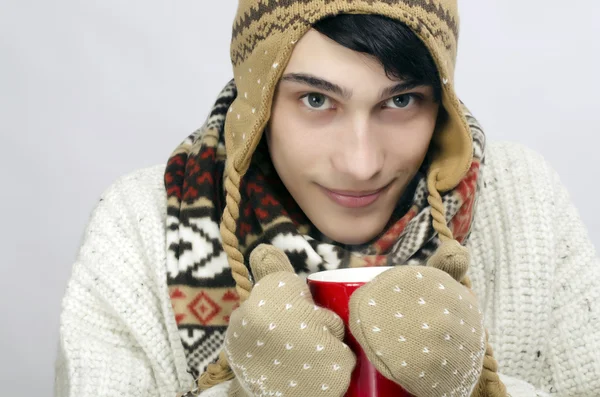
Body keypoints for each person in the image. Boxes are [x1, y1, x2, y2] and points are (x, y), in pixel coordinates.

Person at [55, 1, 600, 397]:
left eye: (402, 100)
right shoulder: (140, 224)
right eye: (316, 99)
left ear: (443, 104)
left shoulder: (522, 197)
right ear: (258, 104)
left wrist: (469, 388)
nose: (361, 164)